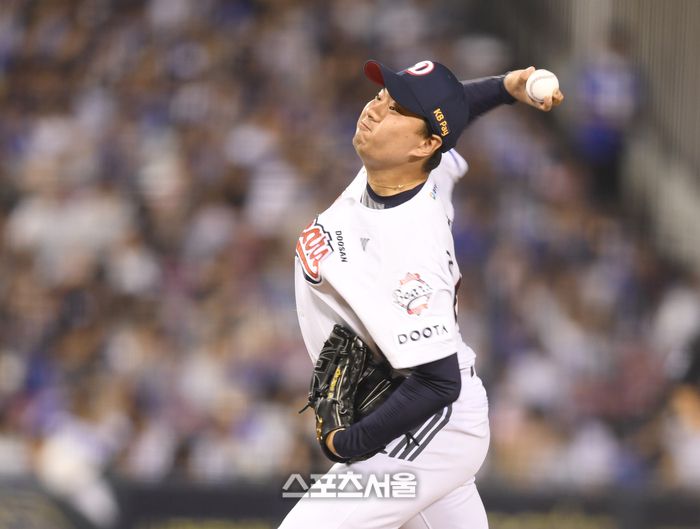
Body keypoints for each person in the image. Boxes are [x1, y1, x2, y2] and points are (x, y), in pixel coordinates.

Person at [282, 60, 563, 529]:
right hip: (412, 407)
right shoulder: (414, 169)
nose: (374, 109)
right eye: (381, 96)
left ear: (425, 145)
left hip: (429, 420)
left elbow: (438, 382)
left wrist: (348, 444)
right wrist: (506, 87)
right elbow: (453, 108)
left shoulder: (410, 243)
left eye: (395, 109)